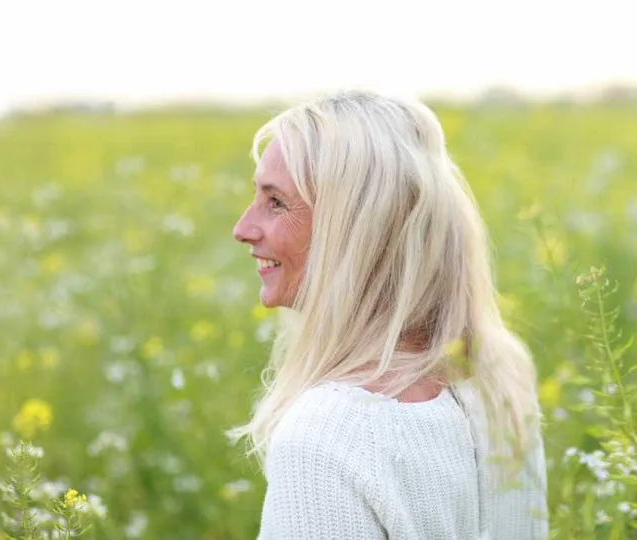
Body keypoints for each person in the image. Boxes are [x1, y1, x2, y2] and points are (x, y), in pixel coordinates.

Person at [227, 90, 548, 539]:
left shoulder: (325, 438)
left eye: (276, 202)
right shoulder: (497, 379)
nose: (243, 228)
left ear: (354, 228)